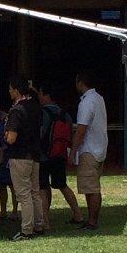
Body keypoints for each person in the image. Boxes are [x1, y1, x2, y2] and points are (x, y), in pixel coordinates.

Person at [4, 78, 46, 240]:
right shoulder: (35, 107)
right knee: (35, 192)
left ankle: (26, 230)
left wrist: (6, 134)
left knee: (23, 194)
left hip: (20, 156)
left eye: (10, 88)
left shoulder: (17, 110)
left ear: (16, 90)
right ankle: (39, 225)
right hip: (34, 155)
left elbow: (11, 138)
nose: (9, 91)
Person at [72, 69, 108, 231]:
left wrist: (73, 151)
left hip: (89, 149)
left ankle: (92, 221)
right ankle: (92, 219)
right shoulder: (99, 99)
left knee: (91, 187)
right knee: (92, 186)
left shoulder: (86, 102)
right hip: (99, 147)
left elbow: (81, 130)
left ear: (81, 83)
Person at [39, 85, 81, 222]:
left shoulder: (43, 113)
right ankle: (78, 215)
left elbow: (40, 133)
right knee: (62, 185)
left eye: (40, 93)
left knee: (43, 188)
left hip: (44, 155)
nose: (39, 96)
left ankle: (45, 220)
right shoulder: (65, 114)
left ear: (47, 96)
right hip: (59, 154)